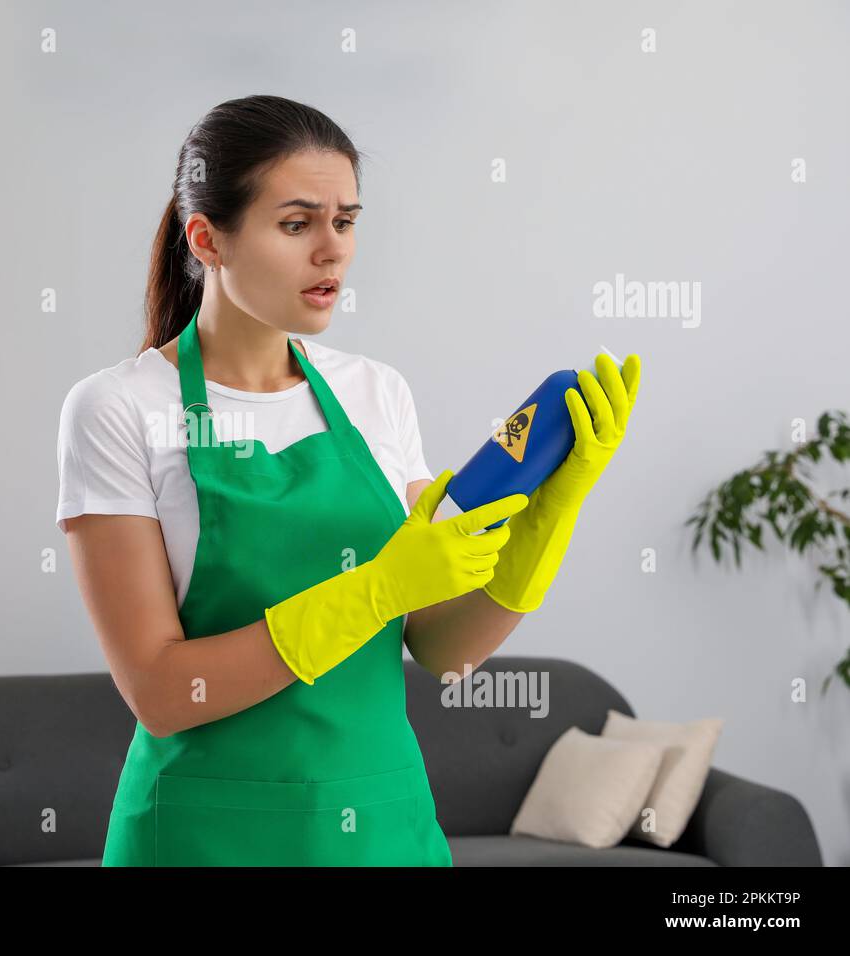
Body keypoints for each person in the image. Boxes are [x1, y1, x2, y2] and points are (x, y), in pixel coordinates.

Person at [55, 95, 640, 866]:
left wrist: (549, 512)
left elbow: (443, 652)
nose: (333, 252)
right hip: (207, 834)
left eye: (347, 221)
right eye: (297, 225)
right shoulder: (118, 408)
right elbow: (163, 694)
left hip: (381, 827)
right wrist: (374, 590)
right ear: (208, 240)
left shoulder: (376, 393)